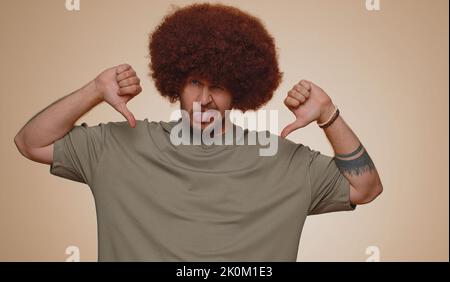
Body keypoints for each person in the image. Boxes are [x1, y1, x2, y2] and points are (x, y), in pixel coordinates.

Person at [13, 3, 383, 261]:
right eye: (194, 82)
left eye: (218, 85)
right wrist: (94, 89)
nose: (205, 98)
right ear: (175, 82)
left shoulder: (282, 160)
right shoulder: (117, 145)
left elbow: (365, 188)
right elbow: (31, 142)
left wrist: (328, 115)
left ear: (240, 88)